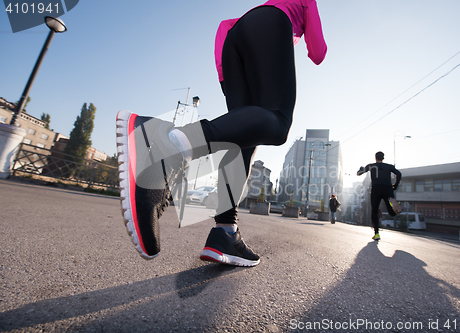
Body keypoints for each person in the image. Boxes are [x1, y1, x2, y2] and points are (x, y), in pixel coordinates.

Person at [115, 0, 327, 266]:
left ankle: (225, 232)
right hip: (272, 25)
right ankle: (169, 145)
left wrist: (227, 79)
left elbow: (224, 27)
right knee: (278, 123)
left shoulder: (255, 12)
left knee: (242, 142)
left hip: (231, 39)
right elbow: (318, 52)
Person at [357, 151, 402, 240]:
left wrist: (361, 168)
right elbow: (399, 174)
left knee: (374, 211)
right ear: (383, 158)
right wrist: (395, 185)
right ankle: (393, 207)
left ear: (375, 158)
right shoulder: (389, 166)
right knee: (391, 211)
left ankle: (376, 233)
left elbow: (359, 173)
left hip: (376, 189)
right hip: (388, 189)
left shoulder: (371, 166)